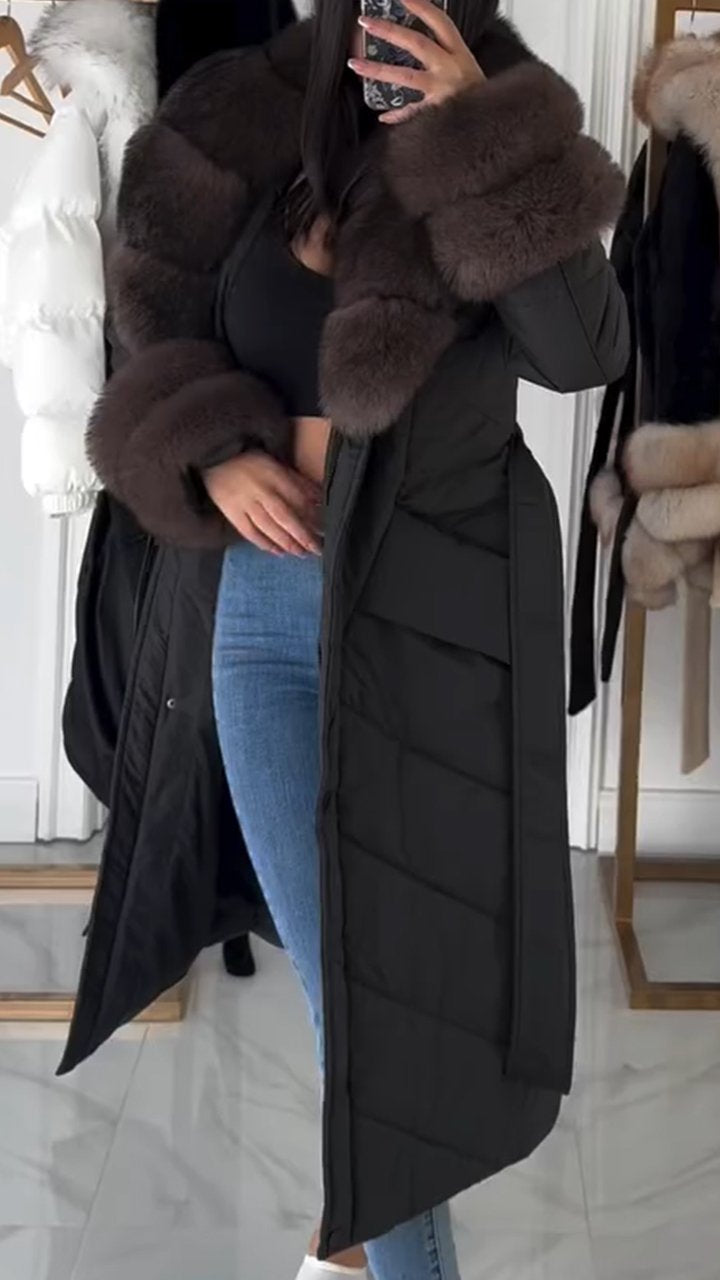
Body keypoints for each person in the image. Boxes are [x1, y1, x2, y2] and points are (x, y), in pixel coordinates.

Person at [86, 1, 629, 1276]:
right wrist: (212, 454)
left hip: (435, 620)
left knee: (397, 1010)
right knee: (356, 1003)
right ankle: (356, 1251)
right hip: (263, 625)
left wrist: (471, 129)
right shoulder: (228, 121)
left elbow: (583, 352)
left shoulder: (505, 113)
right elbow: (147, 333)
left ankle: (352, 1251)